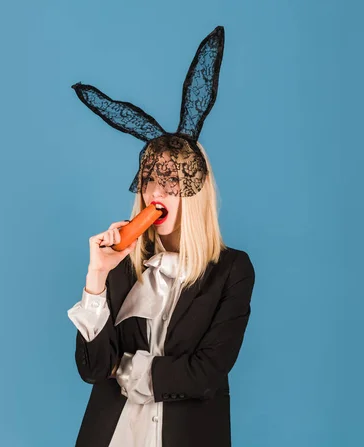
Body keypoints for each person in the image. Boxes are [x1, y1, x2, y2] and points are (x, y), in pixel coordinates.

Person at [67, 26, 256, 447]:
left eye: (172, 183)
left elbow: (207, 372)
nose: (158, 192)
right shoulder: (124, 261)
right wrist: (97, 277)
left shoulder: (232, 271)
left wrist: (131, 370)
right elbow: (94, 369)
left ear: (195, 192)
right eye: (151, 180)